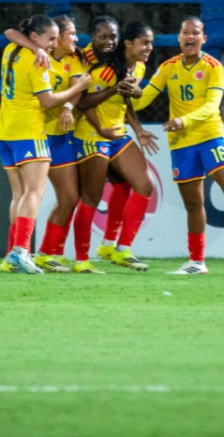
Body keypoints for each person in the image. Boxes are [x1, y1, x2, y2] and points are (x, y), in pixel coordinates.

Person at [132, 15, 224, 274]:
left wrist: (184, 120)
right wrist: (127, 91)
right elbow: (142, 100)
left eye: (195, 33)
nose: (190, 37)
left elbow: (212, 106)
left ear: (204, 38)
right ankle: (197, 262)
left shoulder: (214, 67)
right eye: (185, 32)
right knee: (193, 204)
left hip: (210, 136)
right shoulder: (168, 67)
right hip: (181, 144)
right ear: (179, 38)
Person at [0, 15, 91, 274]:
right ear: (35, 37)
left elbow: (10, 31)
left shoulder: (11, 50)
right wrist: (78, 87)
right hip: (28, 129)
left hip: (3, 128)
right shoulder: (37, 60)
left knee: (19, 195)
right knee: (34, 192)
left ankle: (11, 255)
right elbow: (47, 102)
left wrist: (36, 47)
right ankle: (21, 251)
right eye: (49, 39)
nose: (52, 44)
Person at [73, 16, 159, 272]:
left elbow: (125, 102)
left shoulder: (139, 68)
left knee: (143, 186)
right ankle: (81, 260)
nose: (148, 48)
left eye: (151, 43)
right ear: (128, 44)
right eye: (144, 43)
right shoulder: (105, 69)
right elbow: (83, 102)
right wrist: (111, 97)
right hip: (92, 134)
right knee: (91, 197)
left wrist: (138, 129)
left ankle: (119, 248)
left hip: (117, 134)